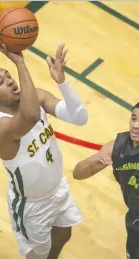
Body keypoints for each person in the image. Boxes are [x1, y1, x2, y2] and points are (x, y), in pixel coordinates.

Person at [0, 37, 88, 259]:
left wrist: (62, 83)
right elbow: (30, 115)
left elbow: (80, 118)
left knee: (63, 236)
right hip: (31, 205)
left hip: (58, 189)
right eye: (0, 82)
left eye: (8, 75)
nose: (9, 81)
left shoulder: (36, 96)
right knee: (38, 254)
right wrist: (19, 63)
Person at [73, 102, 139, 259]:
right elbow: (77, 173)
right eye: (134, 118)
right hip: (135, 219)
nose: (136, 126)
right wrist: (94, 163)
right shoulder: (118, 147)